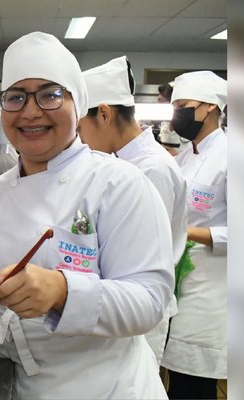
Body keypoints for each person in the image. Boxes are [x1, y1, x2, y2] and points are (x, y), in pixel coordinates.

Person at [0, 32, 174, 399]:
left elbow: (150, 300)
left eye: (50, 94)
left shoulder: (119, 183)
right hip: (6, 380)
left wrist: (63, 291)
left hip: (98, 386)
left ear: (78, 105)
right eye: (16, 97)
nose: (30, 111)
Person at [78, 55, 188, 366]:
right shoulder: (122, 161)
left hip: (138, 312)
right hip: (117, 303)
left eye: (80, 127)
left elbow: (142, 257)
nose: (80, 139)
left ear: (103, 114)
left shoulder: (151, 169)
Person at [160, 71, 228, 399]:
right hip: (181, 280)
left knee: (196, 383)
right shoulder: (186, 156)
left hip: (213, 287)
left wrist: (186, 233)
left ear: (209, 108)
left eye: (184, 106)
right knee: (179, 379)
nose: (178, 115)